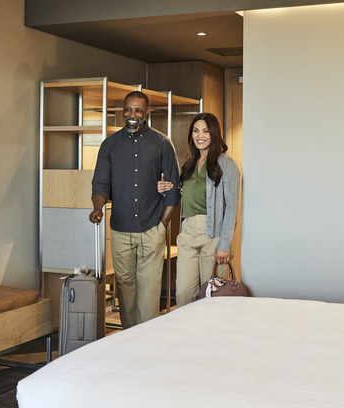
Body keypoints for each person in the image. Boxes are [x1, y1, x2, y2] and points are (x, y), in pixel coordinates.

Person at [90, 91, 180, 329]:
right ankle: (129, 341)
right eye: (128, 109)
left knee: (149, 292)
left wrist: (162, 226)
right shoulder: (109, 145)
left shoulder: (162, 143)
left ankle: (148, 345)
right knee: (126, 292)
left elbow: (173, 191)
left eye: (138, 110)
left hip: (152, 229)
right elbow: (100, 183)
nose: (132, 115)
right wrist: (98, 208)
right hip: (120, 230)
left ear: (147, 113)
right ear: (122, 111)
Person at [157, 112, 240, 307]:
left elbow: (231, 208)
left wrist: (224, 245)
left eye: (205, 131)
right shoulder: (189, 163)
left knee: (211, 295)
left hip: (212, 236)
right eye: (195, 131)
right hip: (187, 232)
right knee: (184, 294)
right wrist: (164, 188)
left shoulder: (226, 165)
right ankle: (188, 335)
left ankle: (211, 336)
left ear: (214, 134)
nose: (199, 135)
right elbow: (185, 195)